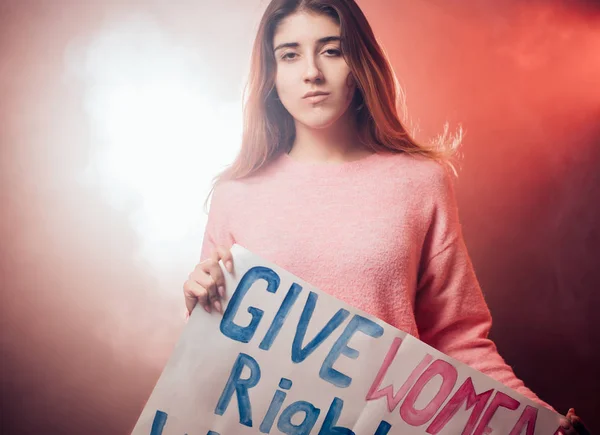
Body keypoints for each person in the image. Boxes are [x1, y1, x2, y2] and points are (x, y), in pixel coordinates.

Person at [182, 0, 589, 433]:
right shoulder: (235, 194)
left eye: (331, 50)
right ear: (272, 76)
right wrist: (198, 306)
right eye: (290, 54)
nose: (311, 73)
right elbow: (217, 362)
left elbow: (456, 338)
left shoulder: (419, 182)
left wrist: (538, 421)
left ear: (359, 63)